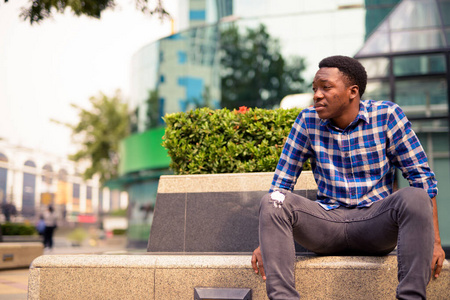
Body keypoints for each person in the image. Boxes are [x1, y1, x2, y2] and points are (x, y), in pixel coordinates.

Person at [251, 55, 446, 300]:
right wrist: (267, 245)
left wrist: (435, 242)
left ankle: (410, 297)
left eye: (326, 87)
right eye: (314, 89)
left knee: (416, 196)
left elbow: (422, 179)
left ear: (352, 91)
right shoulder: (307, 121)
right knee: (274, 199)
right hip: (326, 225)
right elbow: (282, 183)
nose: (317, 95)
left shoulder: (387, 115)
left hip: (376, 224)